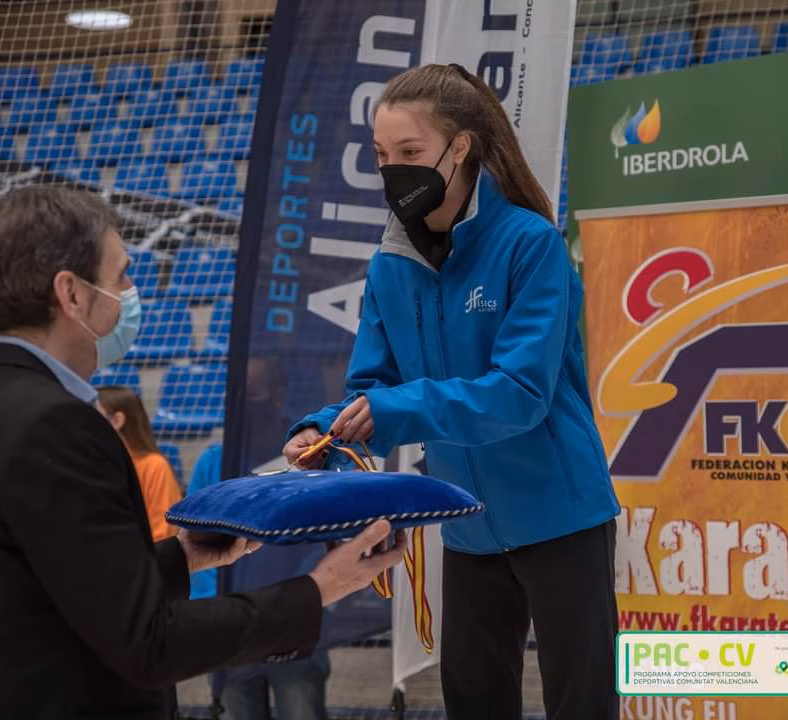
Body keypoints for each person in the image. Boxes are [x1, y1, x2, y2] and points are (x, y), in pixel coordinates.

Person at [0, 185, 405, 720]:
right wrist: (316, 590)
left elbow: (54, 588)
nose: (131, 290)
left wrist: (184, 556)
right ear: (71, 293)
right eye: (120, 275)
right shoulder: (55, 424)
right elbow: (148, 643)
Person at [283, 64, 621, 720]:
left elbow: (519, 394)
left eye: (409, 152)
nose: (393, 171)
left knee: (583, 705)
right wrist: (322, 428)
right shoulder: (390, 264)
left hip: (562, 516)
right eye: (382, 156)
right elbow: (373, 388)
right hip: (467, 526)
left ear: (459, 147)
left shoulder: (530, 244)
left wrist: (391, 410)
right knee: (472, 702)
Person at [188, 442, 330, 720]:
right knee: (239, 710)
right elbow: (194, 536)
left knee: (301, 709)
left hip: (292, 618)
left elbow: (321, 537)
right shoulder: (215, 460)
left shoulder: (307, 457)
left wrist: (311, 595)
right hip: (230, 625)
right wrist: (213, 615)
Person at [96, 385, 181, 542]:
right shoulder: (92, 463)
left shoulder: (154, 466)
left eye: (93, 415)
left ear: (116, 421)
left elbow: (164, 532)